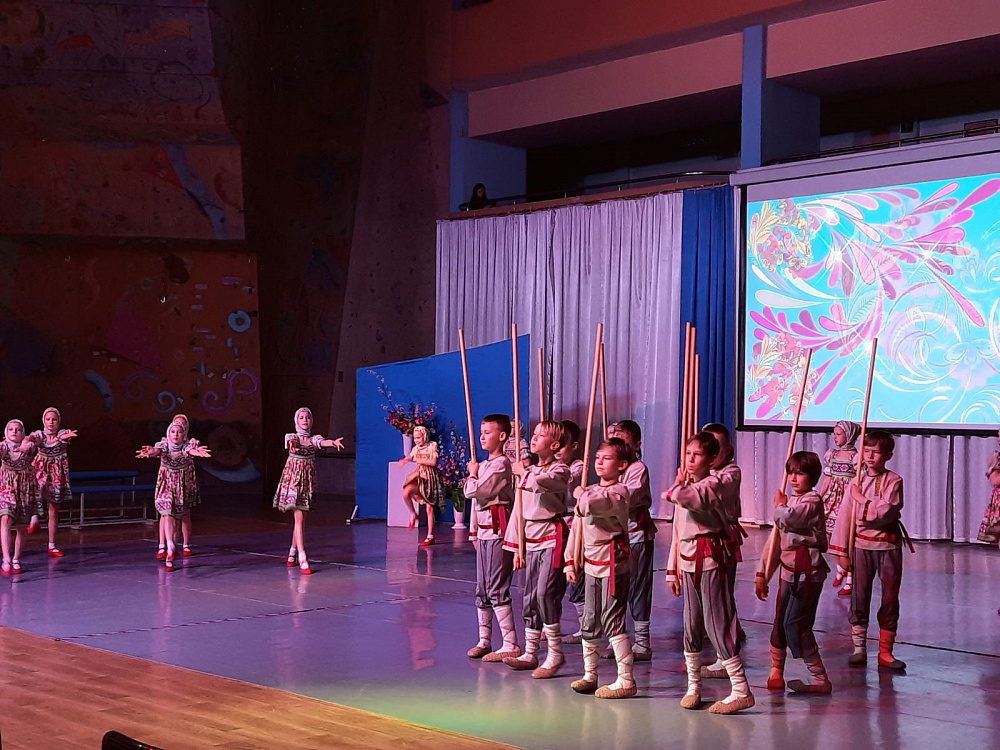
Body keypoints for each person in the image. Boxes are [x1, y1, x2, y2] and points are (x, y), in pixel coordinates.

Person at [664, 432, 754, 714]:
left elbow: (690, 498)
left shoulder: (715, 484)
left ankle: (741, 689)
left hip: (710, 557)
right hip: (687, 558)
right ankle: (693, 686)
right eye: (688, 454)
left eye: (698, 455)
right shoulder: (687, 486)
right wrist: (672, 569)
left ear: (712, 459)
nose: (691, 460)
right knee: (691, 623)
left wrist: (675, 488)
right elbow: (677, 531)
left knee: (716, 621)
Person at [829, 430, 909, 670]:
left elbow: (884, 511)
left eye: (876, 452)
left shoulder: (894, 481)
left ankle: (885, 652)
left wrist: (862, 500)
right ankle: (859, 648)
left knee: (890, 598)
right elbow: (845, 517)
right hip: (861, 546)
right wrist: (842, 552)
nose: (871, 456)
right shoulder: (857, 481)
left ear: (888, 455)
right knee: (859, 596)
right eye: (867, 451)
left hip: (887, 546)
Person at [755, 451, 832, 694]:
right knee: (780, 622)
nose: (794, 478)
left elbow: (790, 519)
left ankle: (819, 678)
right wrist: (762, 574)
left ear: (813, 477)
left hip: (807, 574)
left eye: (800, 473)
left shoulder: (812, 501)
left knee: (797, 625)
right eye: (791, 473)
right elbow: (776, 541)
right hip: (787, 573)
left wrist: (780, 505)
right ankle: (776, 671)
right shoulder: (791, 503)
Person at [564, 438, 636, 698]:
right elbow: (578, 527)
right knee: (590, 618)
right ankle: (590, 674)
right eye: (597, 457)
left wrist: (581, 495)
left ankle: (626, 679)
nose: (600, 462)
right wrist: (570, 560)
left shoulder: (619, 492)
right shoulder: (590, 491)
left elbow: (593, 505)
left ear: (622, 465)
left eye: (607, 458)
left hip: (613, 562)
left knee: (612, 617)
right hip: (591, 563)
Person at [502, 420, 571, 679]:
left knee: (545, 593)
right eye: (534, 433)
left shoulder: (560, 469)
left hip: (552, 536)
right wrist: (516, 546)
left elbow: (545, 483)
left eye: (541, 435)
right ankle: (530, 652)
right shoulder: (528, 471)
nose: (534, 438)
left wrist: (523, 474)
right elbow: (519, 509)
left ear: (554, 445)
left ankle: (555, 653)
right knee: (530, 596)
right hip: (531, 538)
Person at [464, 414, 519, 662]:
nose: (482, 436)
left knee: (497, 587)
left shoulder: (501, 465)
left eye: (488, 432)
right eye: (481, 432)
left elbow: (476, 491)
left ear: (502, 436)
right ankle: (484, 640)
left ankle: (510, 643)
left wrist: (472, 475)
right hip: (484, 532)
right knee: (482, 588)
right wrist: (473, 531)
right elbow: (476, 505)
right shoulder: (484, 465)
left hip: (498, 532)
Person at [274, 407, 345, 575]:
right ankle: (302, 557)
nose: (305, 420)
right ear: (296, 420)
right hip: (293, 479)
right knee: (298, 517)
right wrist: (295, 444)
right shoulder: (292, 437)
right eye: (301, 417)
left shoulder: (314, 439)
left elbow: (321, 442)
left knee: (302, 519)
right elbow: (292, 445)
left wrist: (332, 442)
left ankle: (292, 552)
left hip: (307, 480)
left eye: (307, 417)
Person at [136, 416, 211, 571]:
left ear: (185, 432)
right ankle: (166, 547)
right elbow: (157, 450)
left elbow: (190, 450)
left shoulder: (188, 445)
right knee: (166, 514)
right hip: (165, 485)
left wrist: (197, 452)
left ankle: (179, 546)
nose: (176, 434)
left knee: (180, 517)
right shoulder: (164, 444)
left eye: (179, 431)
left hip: (182, 486)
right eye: (173, 431)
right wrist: (151, 452)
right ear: (168, 432)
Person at [699, 422, 745, 678]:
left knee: (722, 595)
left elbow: (714, 487)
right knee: (709, 597)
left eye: (717, 447)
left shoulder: (730, 472)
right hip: (701, 541)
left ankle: (726, 657)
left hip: (723, 539)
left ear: (729, 450)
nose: (713, 453)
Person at [609, 420, 656, 661]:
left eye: (625, 442)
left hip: (636, 533)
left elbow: (626, 496)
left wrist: (605, 493)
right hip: (614, 534)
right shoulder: (612, 468)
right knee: (615, 588)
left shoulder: (637, 468)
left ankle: (642, 642)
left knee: (638, 586)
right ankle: (618, 639)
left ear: (637, 445)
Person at [28, 407, 78, 558]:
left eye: (54, 419)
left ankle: (52, 545)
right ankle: (34, 519)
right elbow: (32, 438)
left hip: (56, 473)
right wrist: (27, 440)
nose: (51, 422)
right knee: (35, 490)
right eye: (48, 419)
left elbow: (64, 438)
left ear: (58, 422)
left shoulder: (62, 434)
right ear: (44, 420)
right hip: (40, 469)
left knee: (53, 509)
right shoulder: (40, 435)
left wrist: (66, 437)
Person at [819, 420, 861, 597]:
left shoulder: (856, 457)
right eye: (834, 434)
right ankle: (840, 568)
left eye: (838, 434)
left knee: (845, 539)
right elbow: (828, 478)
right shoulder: (832, 454)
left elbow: (860, 481)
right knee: (829, 536)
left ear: (849, 435)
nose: (835, 437)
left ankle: (850, 578)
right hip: (832, 499)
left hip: (847, 500)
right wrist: (819, 496)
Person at [556, 419, 588, 645]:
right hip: (555, 525)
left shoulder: (579, 467)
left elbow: (565, 480)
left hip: (573, 526)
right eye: (554, 445)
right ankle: (551, 624)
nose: (557, 450)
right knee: (555, 579)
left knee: (575, 575)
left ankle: (586, 625)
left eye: (562, 445)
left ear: (574, 446)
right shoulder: (549, 466)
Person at [0, 419, 41, 577]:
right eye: (11, 429)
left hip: (24, 489)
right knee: (5, 519)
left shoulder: (29, 446)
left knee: (22, 527)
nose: (14, 432)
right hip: (7, 488)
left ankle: (16, 559)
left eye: (17, 429)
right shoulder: (4, 447)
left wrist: (28, 439)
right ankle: (6, 558)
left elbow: (40, 436)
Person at [399, 425, 444, 547]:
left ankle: (430, 535)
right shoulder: (416, 449)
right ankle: (413, 513)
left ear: (424, 436)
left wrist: (419, 460)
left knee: (429, 508)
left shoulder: (432, 446)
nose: (417, 440)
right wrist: (405, 460)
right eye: (415, 438)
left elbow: (433, 462)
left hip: (429, 478)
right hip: (419, 476)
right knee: (406, 492)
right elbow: (411, 456)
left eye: (419, 438)